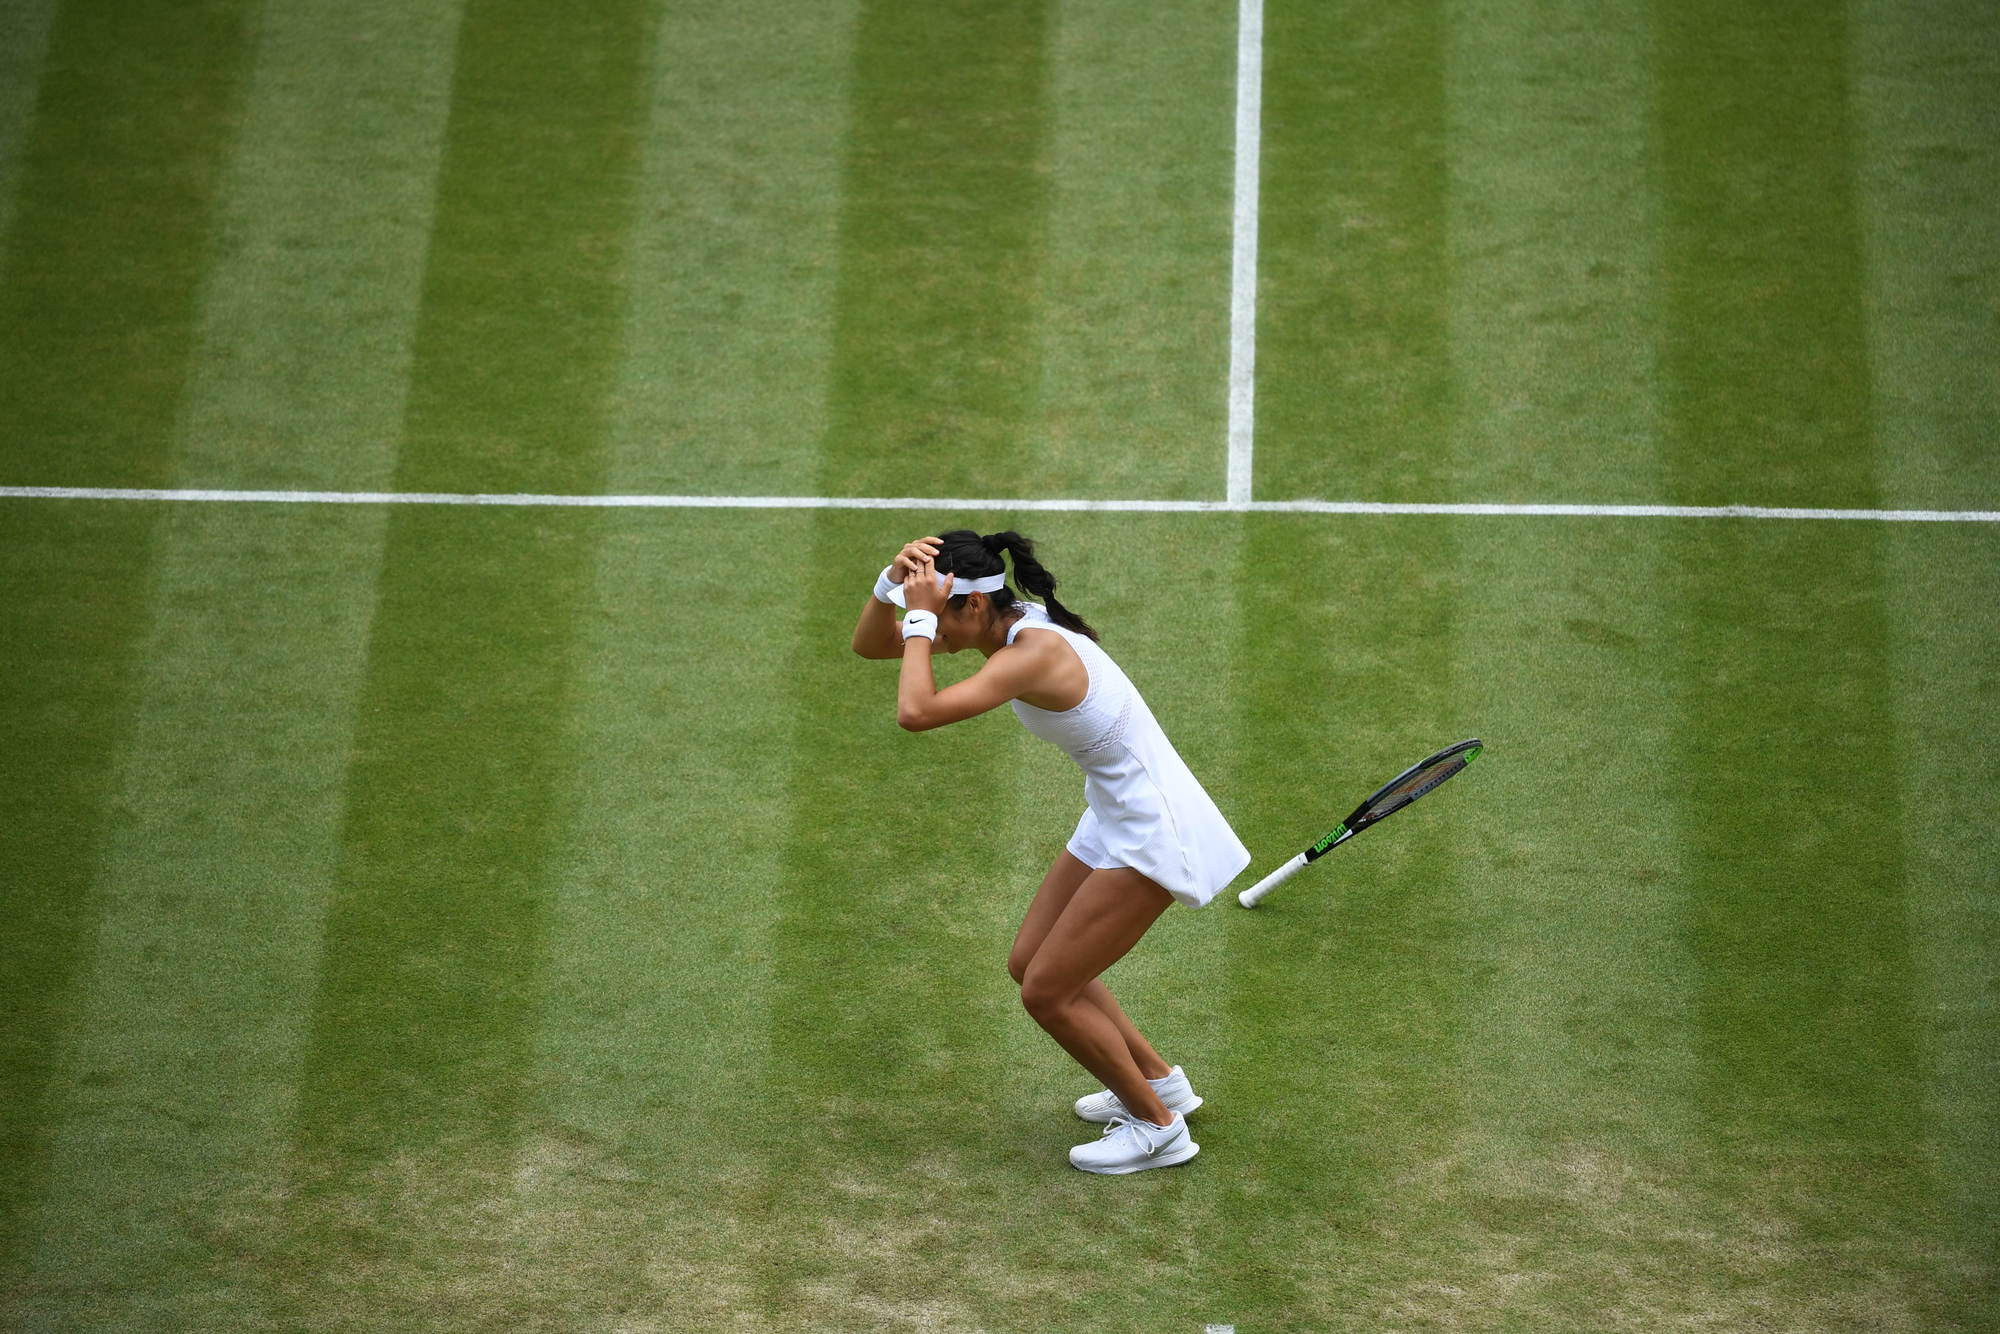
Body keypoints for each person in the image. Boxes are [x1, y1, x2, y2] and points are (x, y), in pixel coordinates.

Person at [851, 530, 1250, 1174]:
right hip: (1114, 812)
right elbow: (872, 646)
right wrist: (888, 586)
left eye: (942, 615)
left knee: (1047, 992)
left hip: (1152, 826)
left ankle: (1159, 1128)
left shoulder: (1031, 653)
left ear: (974, 607)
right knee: (1030, 962)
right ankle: (1158, 1081)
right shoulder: (1016, 624)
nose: (932, 635)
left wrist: (921, 616)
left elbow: (915, 711)